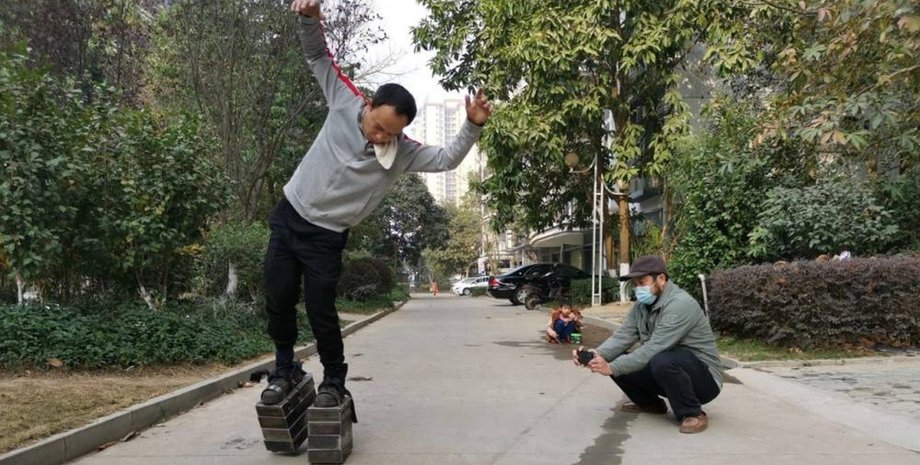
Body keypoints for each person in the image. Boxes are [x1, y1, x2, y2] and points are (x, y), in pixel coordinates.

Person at [261, 0, 494, 407]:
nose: (380, 136)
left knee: (320, 311)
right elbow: (318, 56)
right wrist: (308, 17)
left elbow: (446, 159)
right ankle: (284, 369)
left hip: (326, 236)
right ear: (368, 105)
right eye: (378, 126)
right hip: (289, 214)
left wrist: (472, 125)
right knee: (278, 298)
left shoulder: (403, 152)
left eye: (390, 133)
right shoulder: (344, 99)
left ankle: (334, 381)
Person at [572, 255, 723, 434]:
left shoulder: (680, 304)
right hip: (667, 371)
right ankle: (650, 403)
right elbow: (624, 335)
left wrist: (612, 367)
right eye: (635, 284)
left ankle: (692, 413)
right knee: (618, 359)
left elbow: (654, 348)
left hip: (704, 379)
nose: (638, 289)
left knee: (659, 360)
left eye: (642, 282)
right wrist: (598, 354)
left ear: (661, 279)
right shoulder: (641, 306)